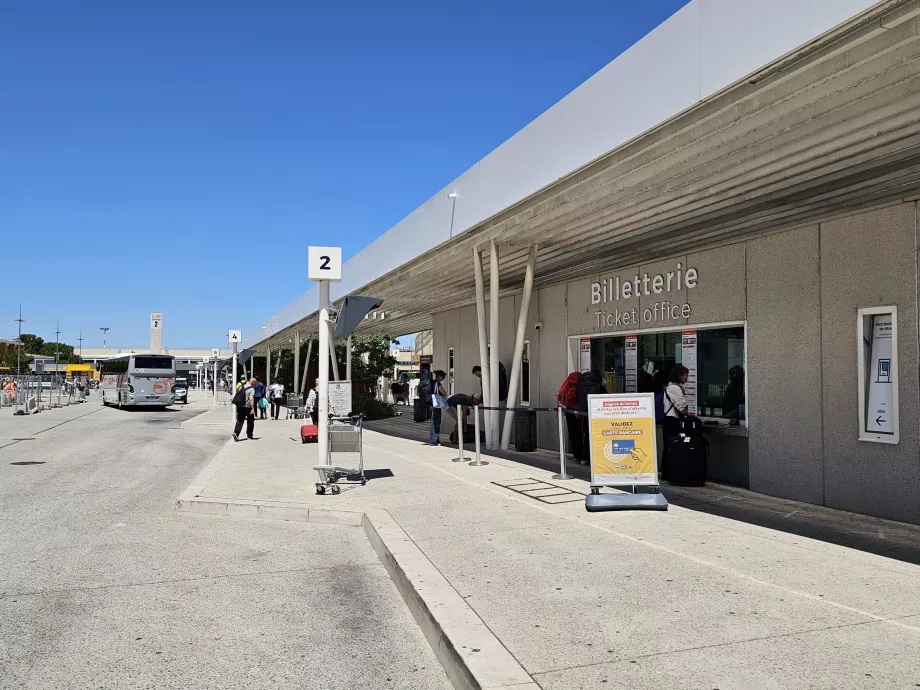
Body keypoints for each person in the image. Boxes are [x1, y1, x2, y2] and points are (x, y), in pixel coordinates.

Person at [232, 377, 257, 442]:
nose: (256, 384)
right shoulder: (252, 389)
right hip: (247, 407)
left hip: (240, 406)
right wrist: (252, 408)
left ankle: (236, 433)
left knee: (240, 420)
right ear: (253, 382)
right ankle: (249, 435)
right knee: (250, 421)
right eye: (255, 382)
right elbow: (251, 399)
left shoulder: (242, 386)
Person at [428, 370, 448, 446]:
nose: (443, 378)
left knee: (433, 422)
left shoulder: (430, 383)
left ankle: (435, 439)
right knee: (436, 422)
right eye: (443, 377)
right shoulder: (437, 384)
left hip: (430, 404)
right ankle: (433, 441)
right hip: (436, 405)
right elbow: (444, 393)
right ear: (439, 376)